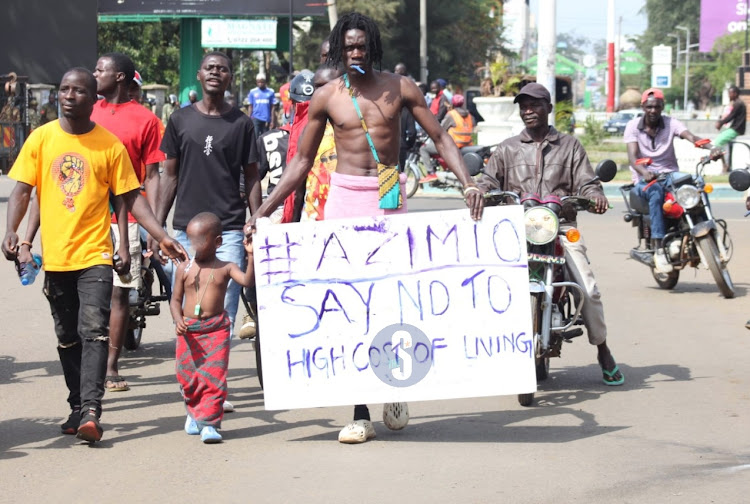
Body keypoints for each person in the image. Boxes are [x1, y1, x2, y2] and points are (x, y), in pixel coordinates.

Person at [247, 12, 483, 444]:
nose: (356, 52)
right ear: (340, 50)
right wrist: (262, 210)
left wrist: (469, 184)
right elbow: (300, 162)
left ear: (373, 48)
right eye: (348, 47)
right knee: (350, 305)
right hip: (343, 197)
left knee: (393, 298)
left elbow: (441, 137)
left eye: (362, 46)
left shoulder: (401, 88)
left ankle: (395, 382)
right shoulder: (327, 97)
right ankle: (359, 412)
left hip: (389, 191)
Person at [1, 67, 186, 443]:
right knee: (67, 336)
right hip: (56, 258)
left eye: (78, 90)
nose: (69, 96)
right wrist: (12, 231)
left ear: (93, 98)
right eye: (64, 90)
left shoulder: (108, 145)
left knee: (93, 332)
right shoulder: (40, 139)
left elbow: (131, 197)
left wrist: (160, 235)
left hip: (95, 254)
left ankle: (91, 411)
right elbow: (22, 191)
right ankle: (76, 405)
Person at [477, 82, 625, 389]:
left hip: (562, 227)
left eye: (534, 105)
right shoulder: (507, 148)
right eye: (524, 106)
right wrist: (479, 192)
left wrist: (594, 195)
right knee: (487, 285)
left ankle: (603, 350)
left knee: (588, 287)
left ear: (548, 108)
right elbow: (489, 180)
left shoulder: (569, 146)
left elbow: (587, 182)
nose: (528, 110)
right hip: (518, 228)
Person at [157, 51, 261, 368]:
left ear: (230, 78)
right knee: (189, 304)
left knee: (223, 303)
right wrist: (157, 228)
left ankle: (212, 378)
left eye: (223, 69)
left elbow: (253, 176)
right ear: (199, 76)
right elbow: (170, 176)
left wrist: (256, 220)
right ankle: (196, 371)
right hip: (184, 231)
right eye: (210, 67)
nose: (216, 72)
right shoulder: (179, 120)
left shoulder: (242, 124)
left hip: (227, 230)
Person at [92, 52, 165, 393]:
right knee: (88, 296)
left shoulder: (147, 120)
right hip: (87, 221)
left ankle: (110, 366)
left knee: (121, 294)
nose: (95, 75)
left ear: (119, 77)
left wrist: (154, 224)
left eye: (100, 70)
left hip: (128, 221)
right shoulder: (87, 114)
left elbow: (151, 175)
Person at [171, 212, 255, 443]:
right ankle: (193, 413)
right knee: (188, 376)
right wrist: (178, 319)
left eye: (200, 240)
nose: (194, 245)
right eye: (191, 240)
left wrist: (251, 256)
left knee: (214, 377)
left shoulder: (225, 267)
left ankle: (209, 424)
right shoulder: (184, 269)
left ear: (218, 242)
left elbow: (247, 282)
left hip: (216, 330)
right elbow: (175, 300)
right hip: (189, 331)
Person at [624, 88, 711, 274]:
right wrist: (644, 172)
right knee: (655, 190)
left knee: (697, 182)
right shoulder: (632, 126)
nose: (653, 111)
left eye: (657, 107)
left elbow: (692, 137)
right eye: (649, 107)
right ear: (643, 107)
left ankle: (707, 228)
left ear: (662, 107)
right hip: (644, 179)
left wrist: (712, 149)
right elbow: (632, 157)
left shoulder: (671, 123)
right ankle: (659, 247)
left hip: (670, 174)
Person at [419, 93, 474, 182]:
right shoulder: (469, 115)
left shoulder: (451, 114)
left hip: (453, 145)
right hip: (467, 144)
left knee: (424, 149)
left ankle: (431, 173)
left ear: (452, 103)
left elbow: (441, 128)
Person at [714, 85, 746, 173]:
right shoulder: (737, 103)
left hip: (736, 129)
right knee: (722, 143)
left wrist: (720, 123)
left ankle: (725, 165)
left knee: (718, 142)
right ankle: (726, 165)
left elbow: (731, 116)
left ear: (735, 94)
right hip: (735, 128)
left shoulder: (738, 104)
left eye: (730, 93)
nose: (729, 95)